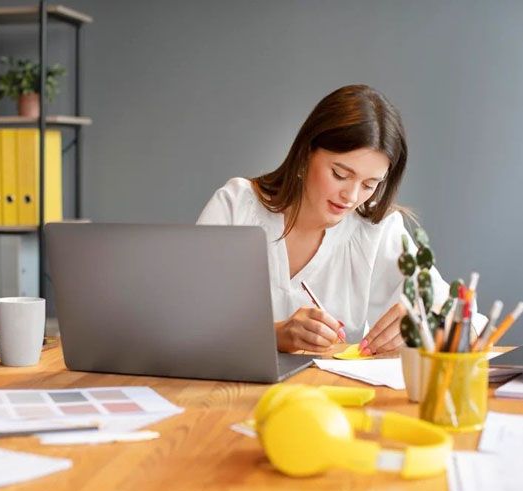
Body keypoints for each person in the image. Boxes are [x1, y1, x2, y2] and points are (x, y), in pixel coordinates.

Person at [197, 84, 485, 355]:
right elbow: (184, 322)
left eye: (370, 184)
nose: (351, 195)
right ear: (306, 152)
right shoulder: (237, 205)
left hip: (337, 401)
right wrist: (275, 336)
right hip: (225, 400)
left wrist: (429, 325)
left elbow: (472, 327)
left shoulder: (378, 232)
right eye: (340, 174)